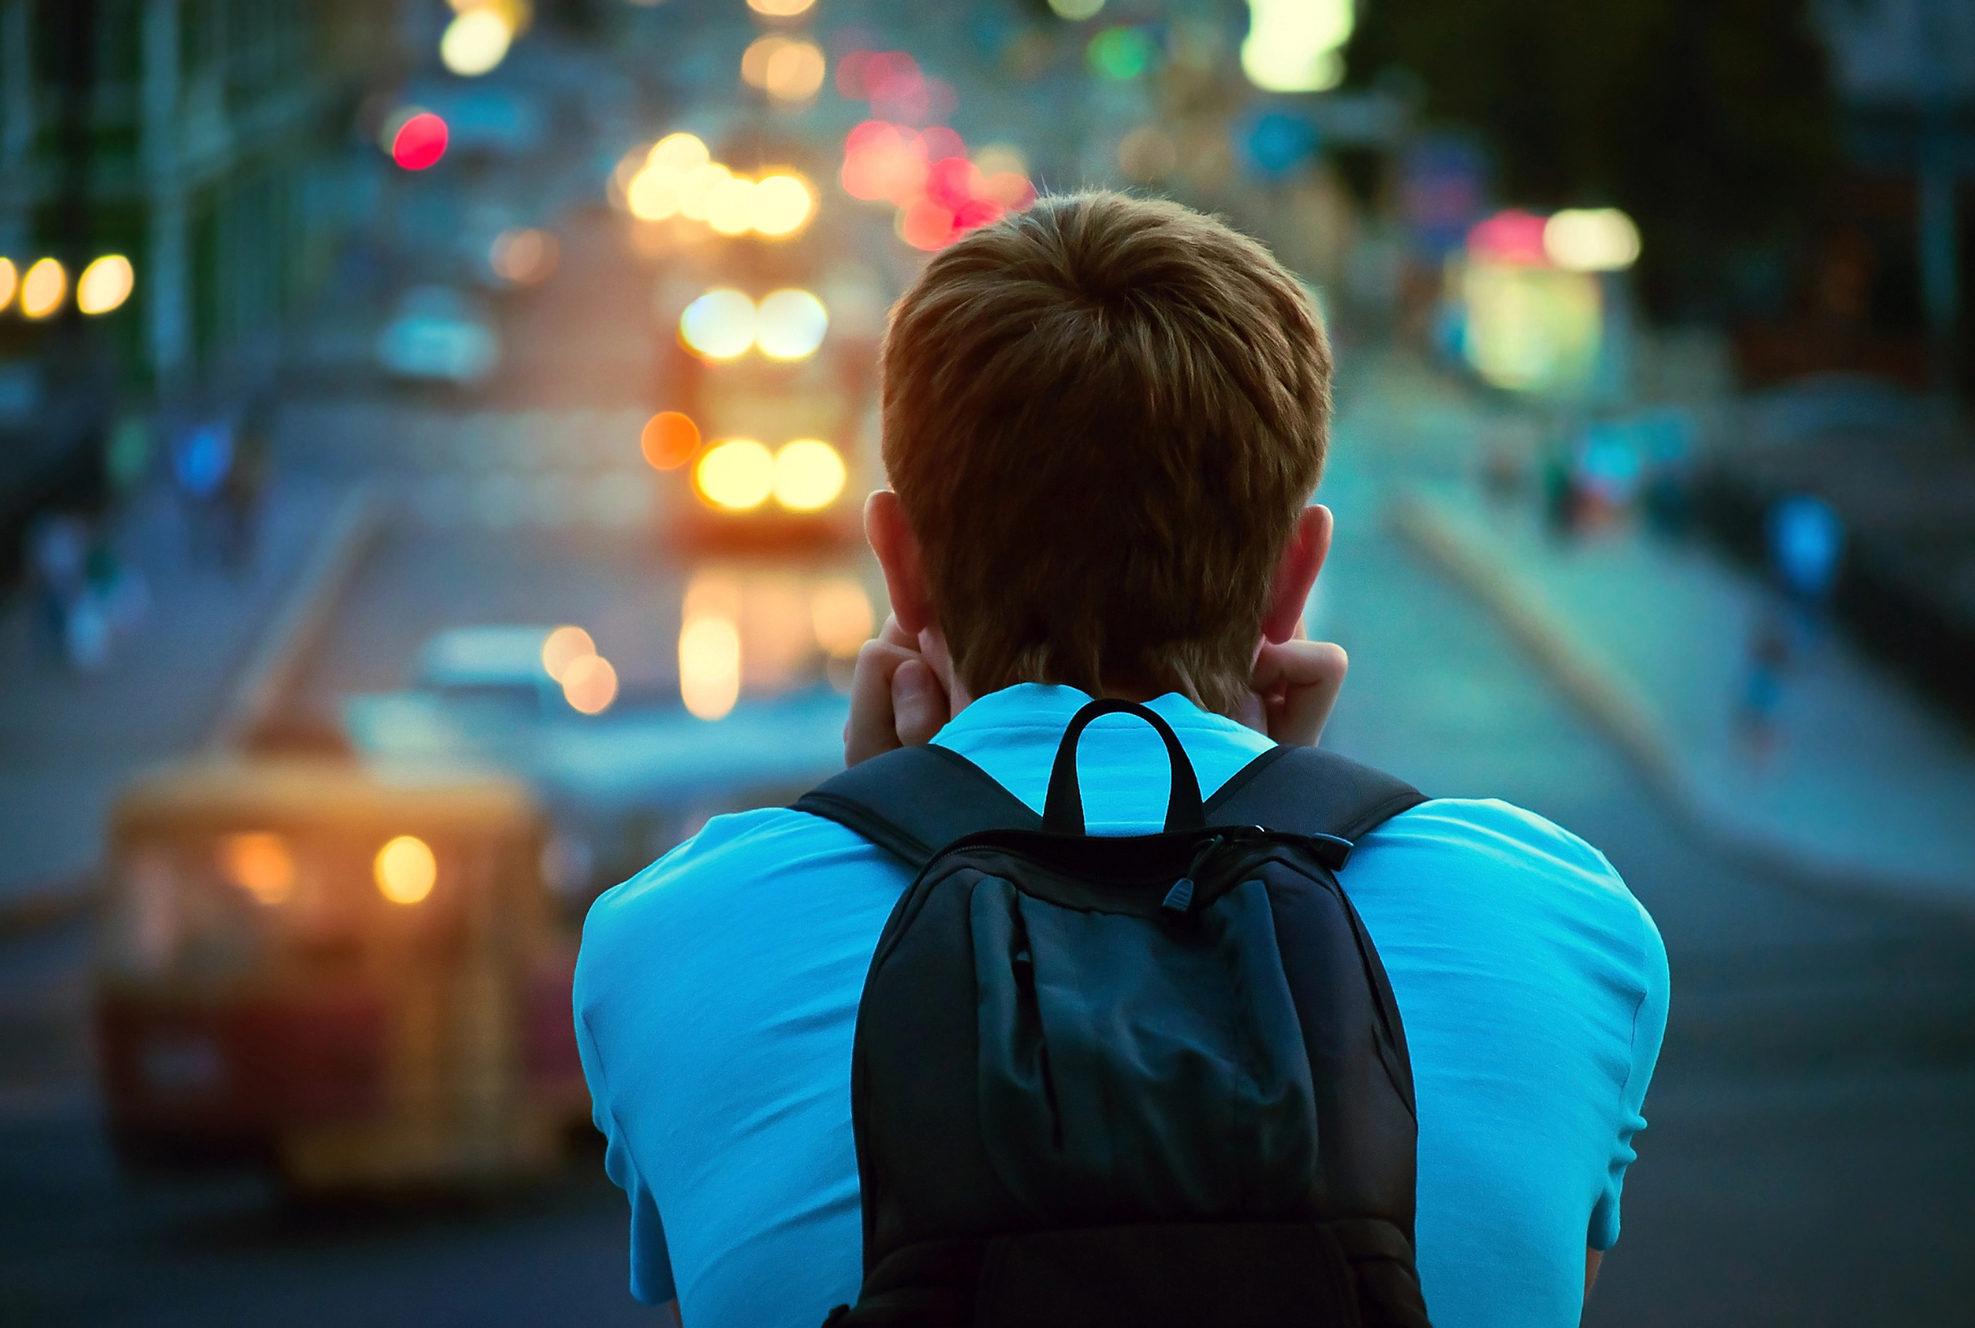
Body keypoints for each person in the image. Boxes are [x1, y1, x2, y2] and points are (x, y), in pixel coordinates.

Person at [574, 193, 1669, 1328]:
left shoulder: (665, 934)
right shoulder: (1568, 918)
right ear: (1295, 574)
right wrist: (1280, 811)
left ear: (900, 567)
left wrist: (886, 807)